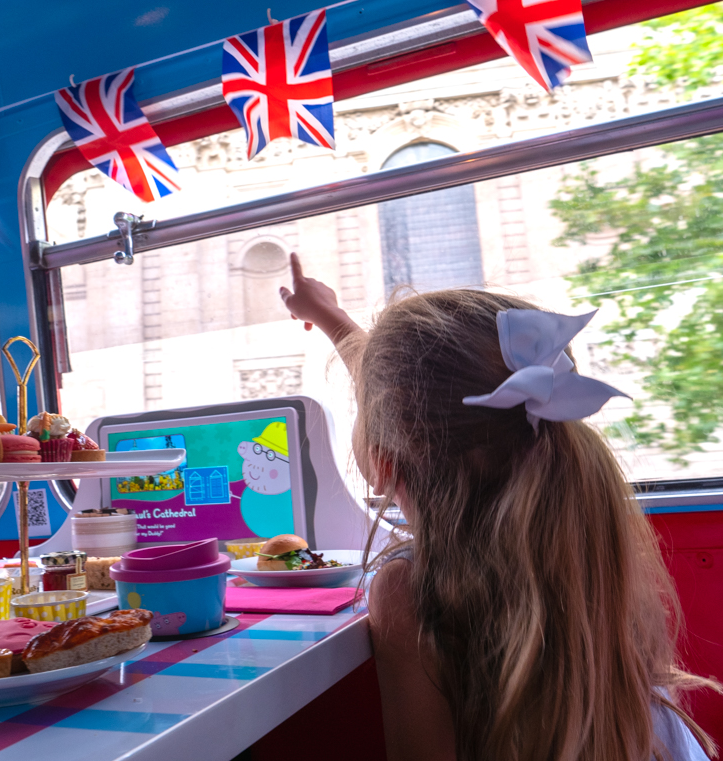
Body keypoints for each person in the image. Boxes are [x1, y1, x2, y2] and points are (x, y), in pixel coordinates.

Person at [279, 253, 718, 761]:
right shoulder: (586, 525)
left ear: (382, 461)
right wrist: (331, 318)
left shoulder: (409, 587)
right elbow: (415, 397)